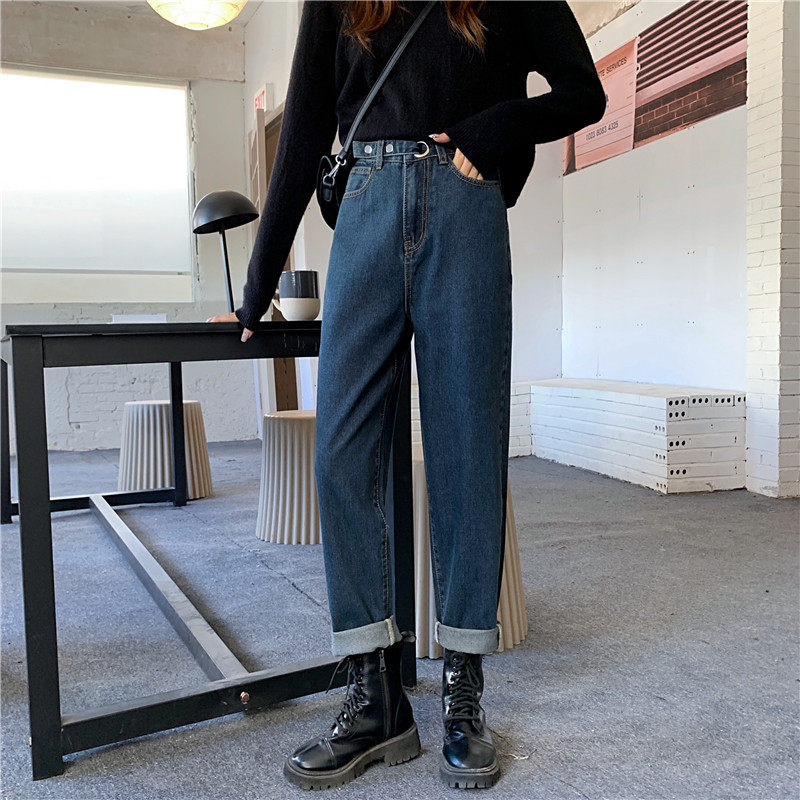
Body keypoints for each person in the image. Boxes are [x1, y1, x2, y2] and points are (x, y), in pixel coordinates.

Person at [211, 0, 606, 789]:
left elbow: (582, 93)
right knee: (340, 453)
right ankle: (374, 698)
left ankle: (463, 689)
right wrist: (257, 289)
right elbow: (305, 128)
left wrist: (497, 129)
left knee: (468, 450)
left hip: (464, 207)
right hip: (363, 204)